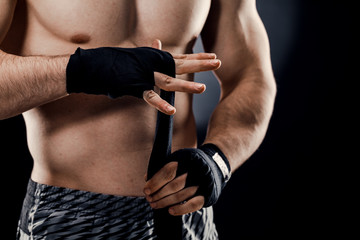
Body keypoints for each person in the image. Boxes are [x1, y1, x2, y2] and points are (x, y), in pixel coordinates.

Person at [0, 0, 276, 239]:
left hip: (185, 215)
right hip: (72, 215)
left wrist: (218, 160)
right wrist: (88, 69)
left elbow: (251, 75)